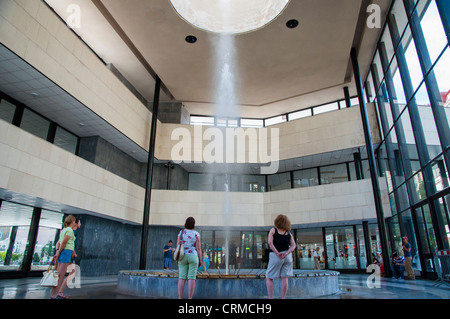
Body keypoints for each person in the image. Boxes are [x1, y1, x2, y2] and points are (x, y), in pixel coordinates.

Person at [266, 214, 296, 299]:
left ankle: (270, 298)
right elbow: (294, 245)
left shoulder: (273, 230)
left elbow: (270, 243)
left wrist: (277, 253)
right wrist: (286, 253)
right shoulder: (288, 233)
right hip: (287, 257)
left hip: (276, 256)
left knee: (269, 277)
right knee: (284, 277)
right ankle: (283, 298)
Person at [51, 215, 77, 299]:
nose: (75, 223)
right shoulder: (69, 230)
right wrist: (58, 252)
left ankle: (58, 293)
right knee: (60, 274)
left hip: (66, 252)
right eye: (75, 221)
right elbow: (64, 242)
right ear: (72, 222)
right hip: (65, 252)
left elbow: (64, 242)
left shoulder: (64, 230)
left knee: (62, 273)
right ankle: (54, 295)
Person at [177, 217, 202, 299]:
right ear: (193, 225)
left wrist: (177, 258)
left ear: (185, 223)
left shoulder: (181, 233)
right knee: (192, 278)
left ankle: (180, 297)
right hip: (193, 256)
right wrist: (200, 259)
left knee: (182, 277)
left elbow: (178, 246)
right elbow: (198, 248)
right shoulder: (196, 234)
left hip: (182, 256)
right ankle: (190, 298)